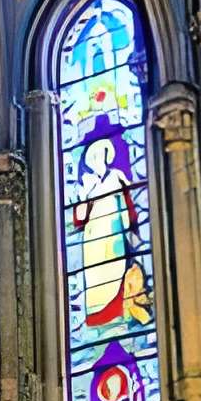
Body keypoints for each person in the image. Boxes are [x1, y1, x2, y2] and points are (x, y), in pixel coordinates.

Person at [72, 118, 150, 326]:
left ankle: (120, 311)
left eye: (101, 155)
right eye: (94, 156)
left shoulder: (116, 176)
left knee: (117, 271)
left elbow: (129, 204)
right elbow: (79, 219)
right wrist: (85, 195)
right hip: (94, 240)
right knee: (97, 277)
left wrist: (131, 230)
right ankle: (98, 317)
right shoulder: (87, 185)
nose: (98, 159)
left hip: (115, 233)